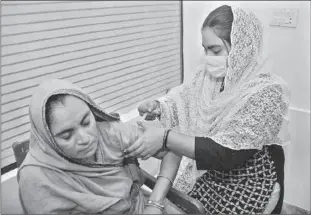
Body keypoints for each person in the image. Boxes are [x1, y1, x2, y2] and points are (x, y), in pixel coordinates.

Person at [124, 5, 290, 214]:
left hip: (245, 178)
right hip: (212, 172)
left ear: (241, 48)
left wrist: (165, 138)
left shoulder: (266, 92)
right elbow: (183, 100)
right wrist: (160, 107)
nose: (208, 56)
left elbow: (227, 153)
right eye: (205, 49)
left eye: (215, 50)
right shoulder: (209, 76)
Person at [17, 79, 183, 214]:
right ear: (47, 139)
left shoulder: (109, 134)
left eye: (86, 121)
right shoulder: (37, 179)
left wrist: (155, 203)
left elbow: (172, 149)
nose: (85, 138)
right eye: (67, 135)